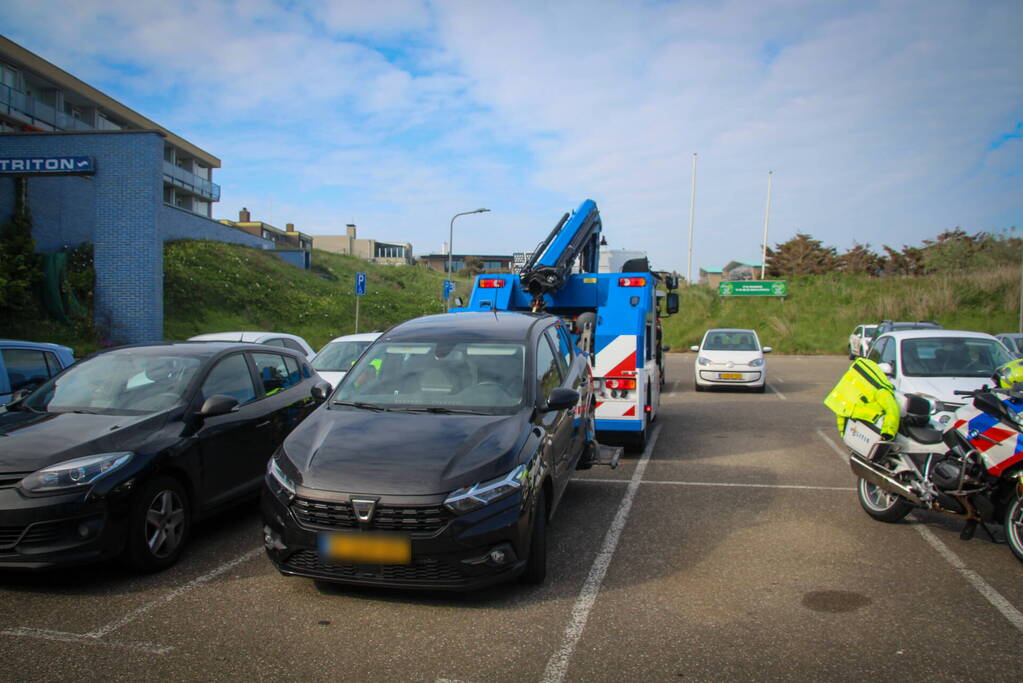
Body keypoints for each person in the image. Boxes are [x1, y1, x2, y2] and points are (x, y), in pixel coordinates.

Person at [824, 357, 901, 439]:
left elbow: (842, 411)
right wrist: (888, 433)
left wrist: (843, 434)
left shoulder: (855, 381)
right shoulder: (882, 390)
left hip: (857, 427)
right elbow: (892, 409)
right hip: (870, 427)